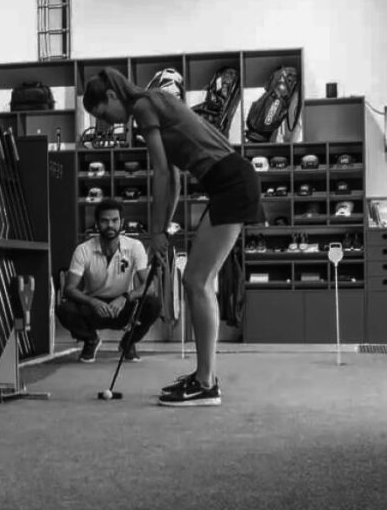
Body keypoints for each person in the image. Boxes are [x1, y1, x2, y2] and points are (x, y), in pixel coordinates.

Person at [82, 67, 262, 407]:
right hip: (229, 181)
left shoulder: (144, 107)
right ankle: (204, 377)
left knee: (196, 281)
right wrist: (162, 230)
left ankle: (206, 383)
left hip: (231, 183)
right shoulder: (156, 102)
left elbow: (162, 173)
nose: (109, 122)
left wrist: (155, 232)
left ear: (111, 97)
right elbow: (177, 180)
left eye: (104, 114)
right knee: (198, 280)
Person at [57, 198, 162, 364]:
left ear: (122, 223)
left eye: (114, 220)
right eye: (105, 221)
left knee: (153, 304)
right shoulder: (83, 250)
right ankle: (91, 340)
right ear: (97, 224)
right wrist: (93, 302)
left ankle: (128, 343)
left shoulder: (135, 246)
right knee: (64, 309)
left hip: (124, 307)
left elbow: (150, 286)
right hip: (94, 307)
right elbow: (69, 289)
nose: (110, 225)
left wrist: (126, 297)